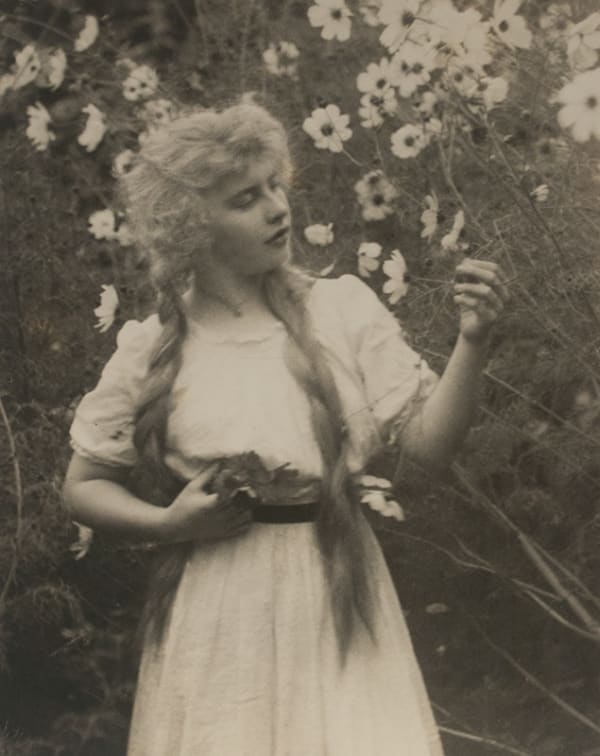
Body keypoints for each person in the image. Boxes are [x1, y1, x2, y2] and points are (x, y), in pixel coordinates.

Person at [62, 98, 509, 756]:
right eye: (247, 197)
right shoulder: (156, 346)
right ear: (193, 226)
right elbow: (83, 486)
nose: (277, 207)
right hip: (219, 613)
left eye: (277, 185)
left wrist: (474, 343)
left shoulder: (341, 310)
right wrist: (169, 525)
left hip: (338, 599)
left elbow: (430, 446)